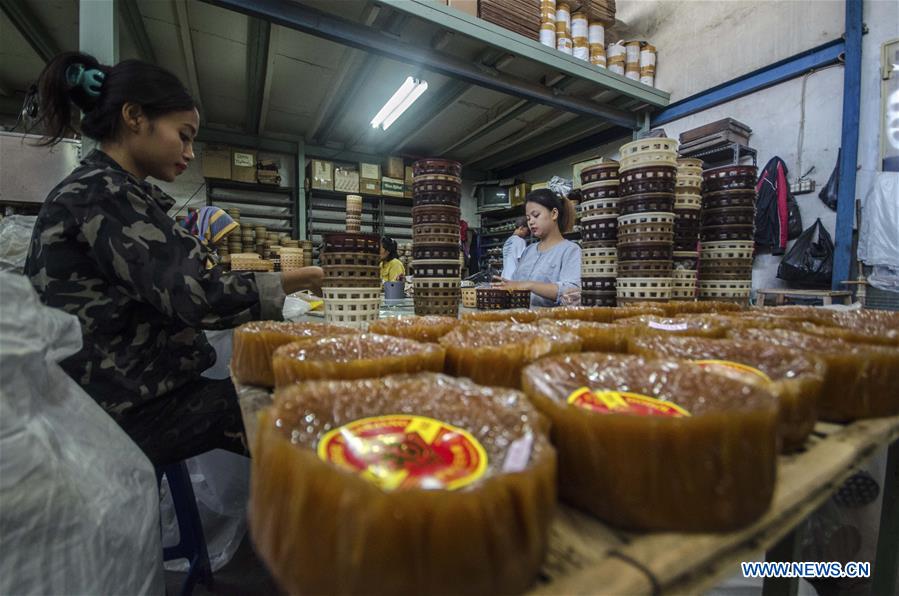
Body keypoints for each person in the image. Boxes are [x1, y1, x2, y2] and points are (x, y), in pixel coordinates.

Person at [23, 51, 323, 467]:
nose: (190, 151)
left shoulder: (114, 192)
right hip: (113, 412)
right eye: (183, 135)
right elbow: (196, 294)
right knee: (309, 408)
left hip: (116, 394)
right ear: (134, 117)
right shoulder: (102, 195)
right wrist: (298, 278)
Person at [494, 189, 581, 307]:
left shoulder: (570, 250)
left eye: (536, 215)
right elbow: (515, 283)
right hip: (521, 319)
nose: (531, 222)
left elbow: (572, 292)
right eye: (528, 218)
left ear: (554, 214)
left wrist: (529, 285)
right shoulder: (528, 251)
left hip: (551, 322)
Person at [500, 216, 529, 280]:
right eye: (527, 230)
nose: (527, 233)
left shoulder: (507, 241)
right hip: (514, 278)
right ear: (521, 228)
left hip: (504, 277)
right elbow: (521, 261)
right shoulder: (520, 241)